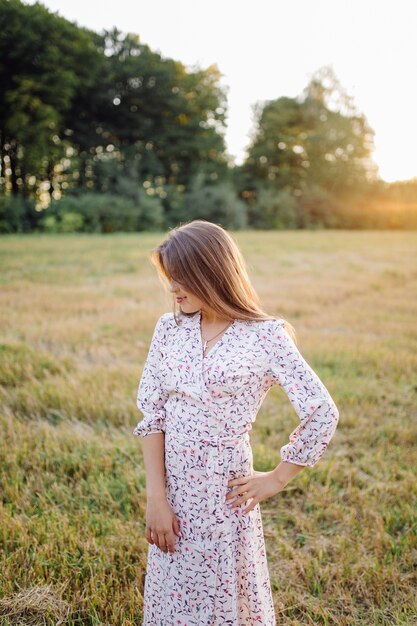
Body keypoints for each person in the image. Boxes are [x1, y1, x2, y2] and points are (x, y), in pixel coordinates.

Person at [133, 219, 340, 625]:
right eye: (168, 279)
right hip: (173, 486)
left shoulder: (265, 335)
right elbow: (152, 415)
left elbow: (321, 411)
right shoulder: (169, 329)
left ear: (210, 273)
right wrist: (157, 499)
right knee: (173, 592)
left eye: (180, 279)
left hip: (225, 492)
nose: (172, 289)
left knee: (223, 597)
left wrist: (277, 478)